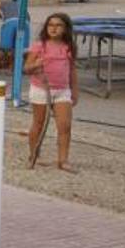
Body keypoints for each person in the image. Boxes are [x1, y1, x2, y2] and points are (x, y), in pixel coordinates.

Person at [25, 12, 79, 172]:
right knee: (39, 124)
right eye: (51, 25)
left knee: (65, 126)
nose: (54, 28)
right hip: (41, 89)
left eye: (58, 25)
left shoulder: (68, 47)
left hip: (62, 91)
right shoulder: (39, 46)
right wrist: (36, 65)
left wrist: (74, 90)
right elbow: (27, 68)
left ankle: (63, 160)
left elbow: (72, 70)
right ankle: (34, 155)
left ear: (65, 28)